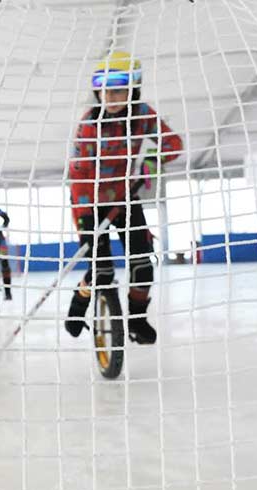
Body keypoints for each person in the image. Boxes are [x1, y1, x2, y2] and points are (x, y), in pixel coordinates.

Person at [65, 51, 183, 344]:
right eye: (104, 91)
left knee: (143, 265)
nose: (111, 97)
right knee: (101, 272)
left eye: (118, 90)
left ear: (133, 89)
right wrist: (89, 220)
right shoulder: (90, 124)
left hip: (126, 197)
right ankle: (78, 305)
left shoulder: (142, 115)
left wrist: (149, 165)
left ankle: (137, 321)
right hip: (88, 200)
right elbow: (80, 176)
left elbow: (173, 143)